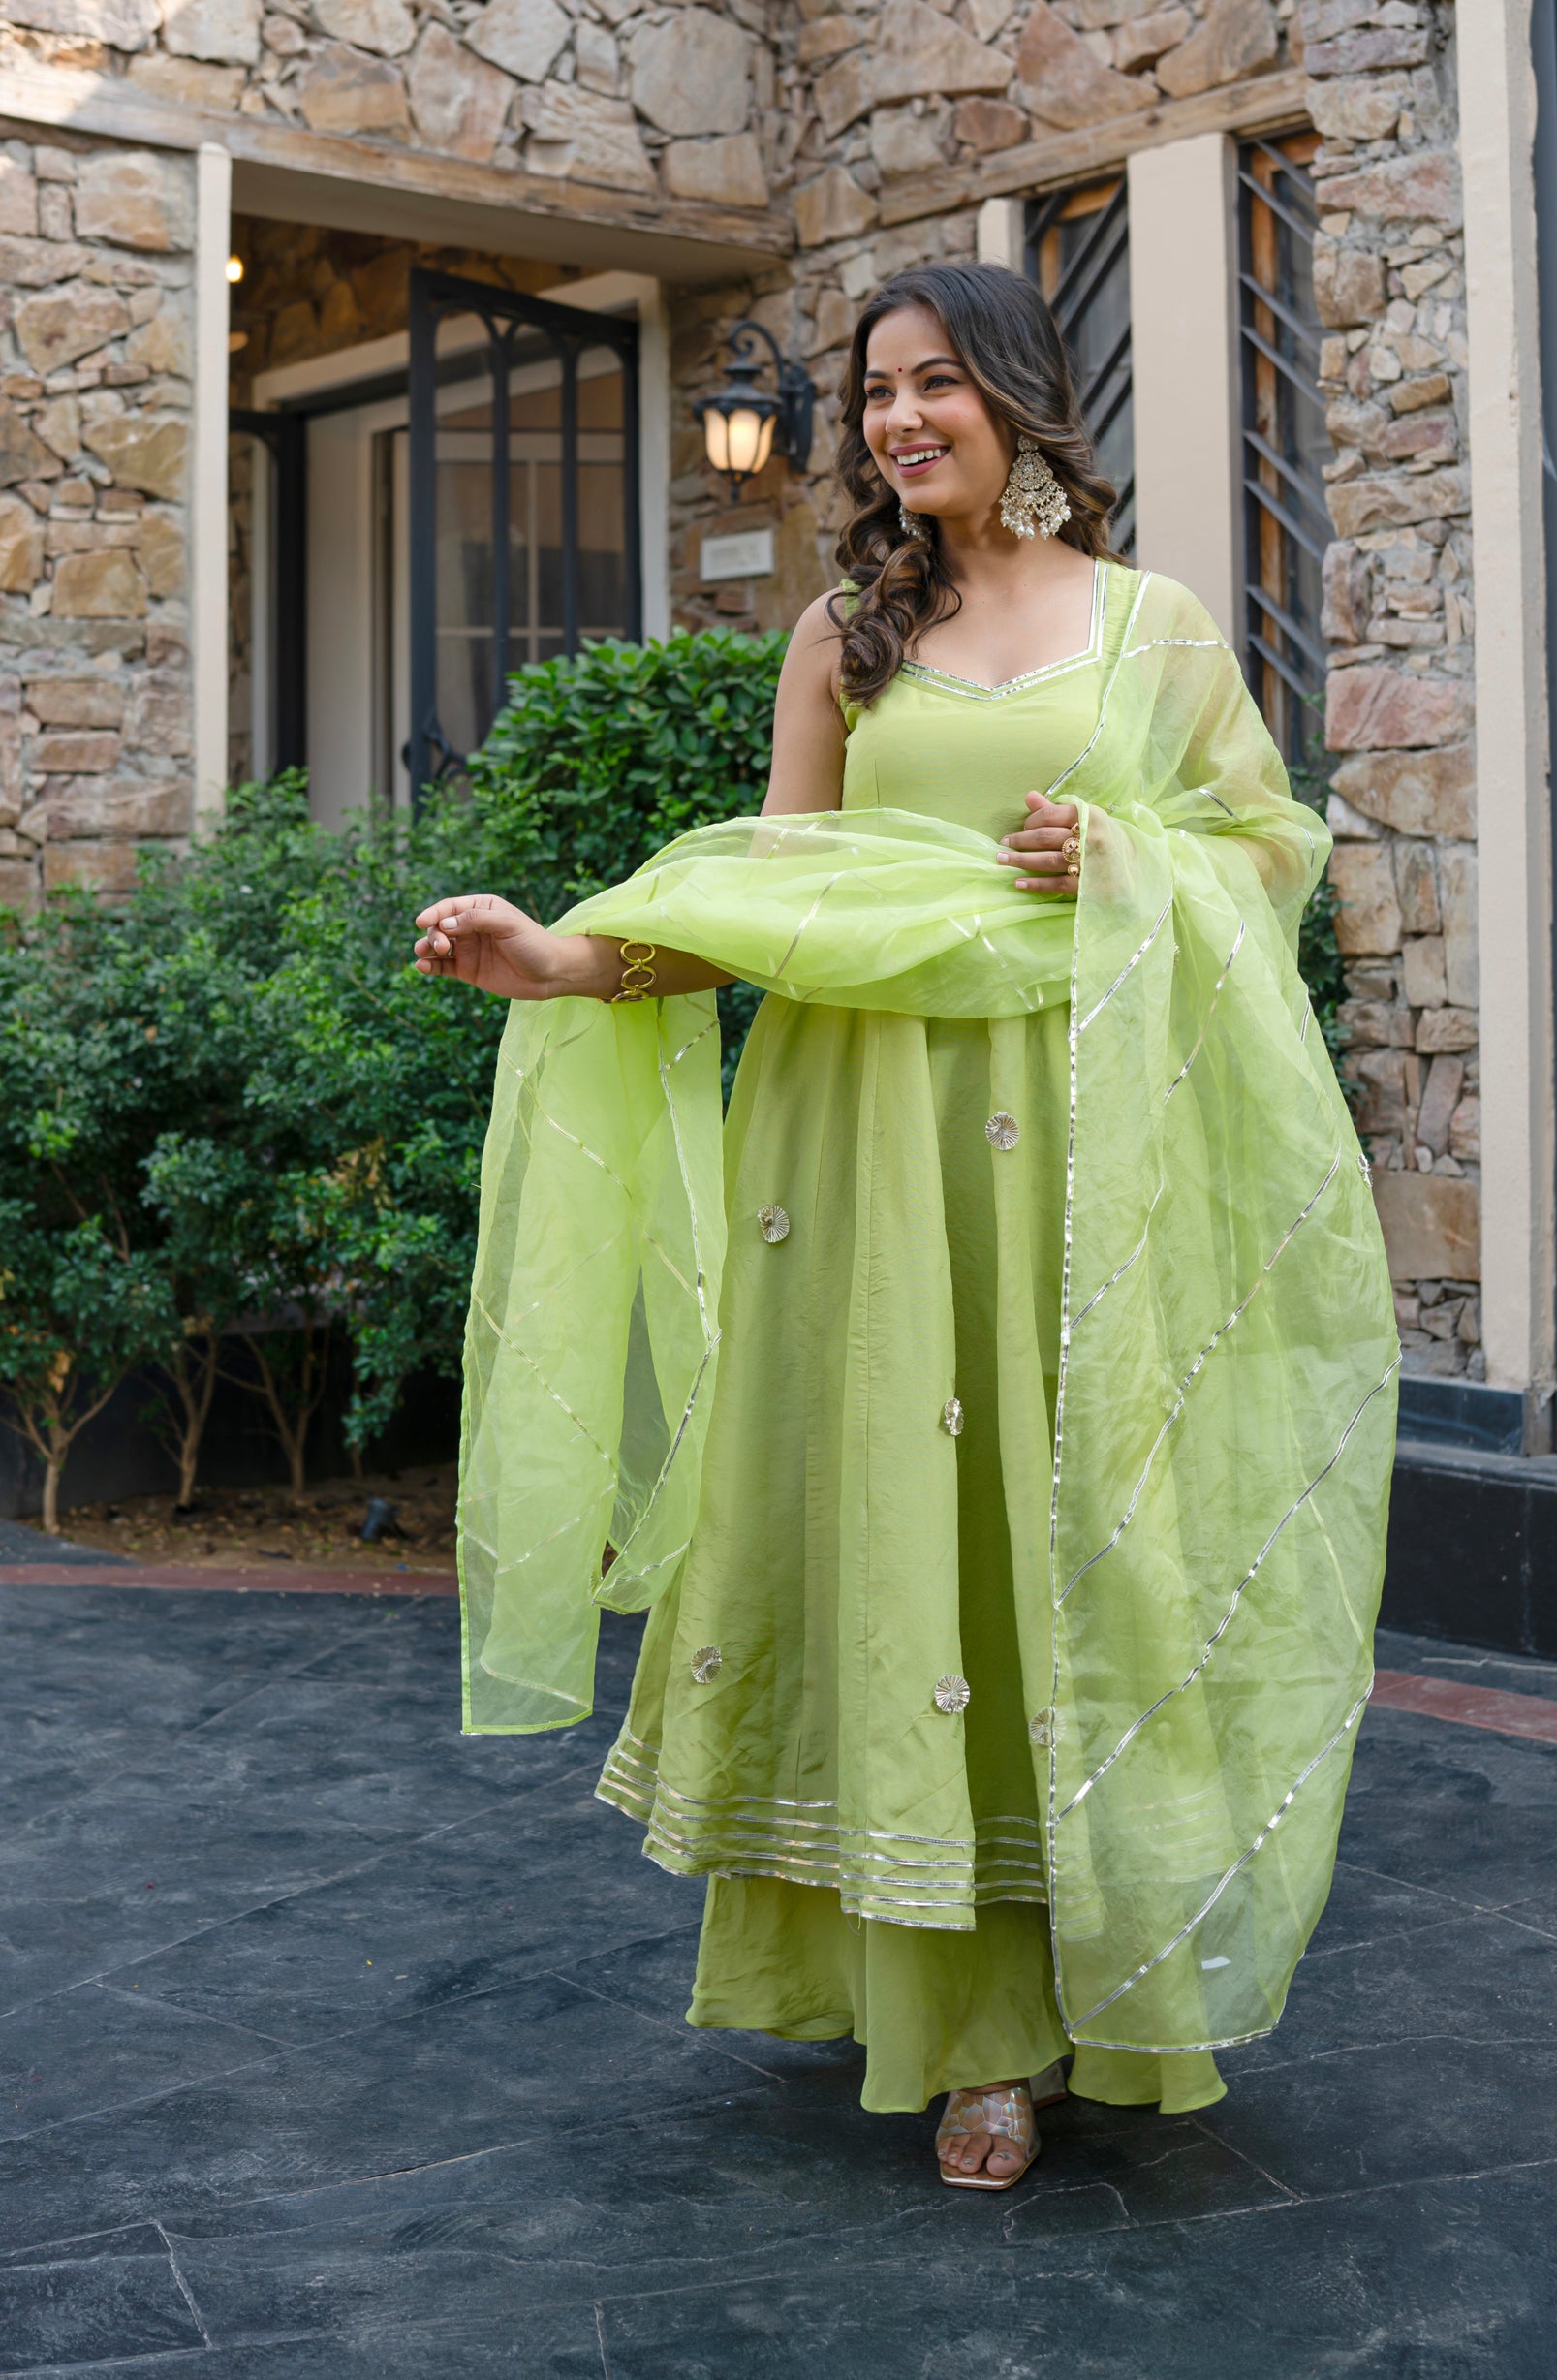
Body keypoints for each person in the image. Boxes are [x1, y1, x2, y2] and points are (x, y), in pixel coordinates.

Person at [416, 261, 1397, 2191]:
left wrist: (1125, 857)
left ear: (1018, 398)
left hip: (1078, 1161)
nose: (892, 418)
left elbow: (1273, 852)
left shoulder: (1151, 627)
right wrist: (567, 957)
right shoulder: (843, 640)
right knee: (895, 1545)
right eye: (873, 390)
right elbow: (771, 896)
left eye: (933, 381)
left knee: (1072, 1546)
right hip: (861, 1155)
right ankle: (967, 2036)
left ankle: (1101, 1975)